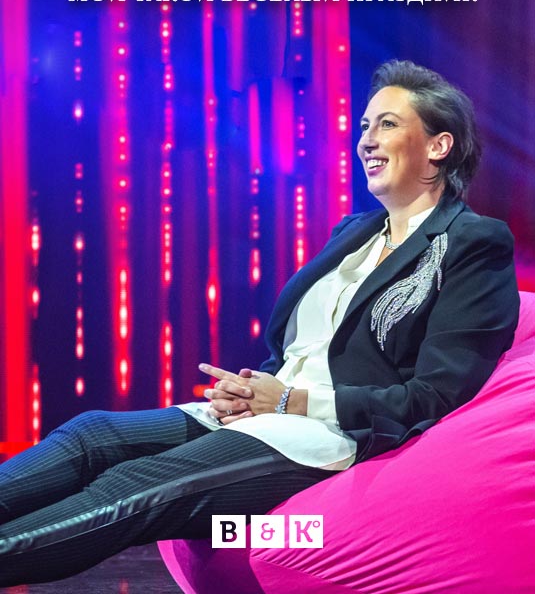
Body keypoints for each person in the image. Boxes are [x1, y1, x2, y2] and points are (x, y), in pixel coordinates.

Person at [0, 60, 519, 585]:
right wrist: (253, 389)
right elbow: (304, 351)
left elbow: (434, 396)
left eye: (387, 124)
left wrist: (291, 400)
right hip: (270, 413)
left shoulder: (473, 242)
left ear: (438, 146)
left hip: (329, 433)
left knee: (136, 485)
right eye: (364, 126)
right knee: (92, 434)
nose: (366, 140)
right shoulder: (356, 233)